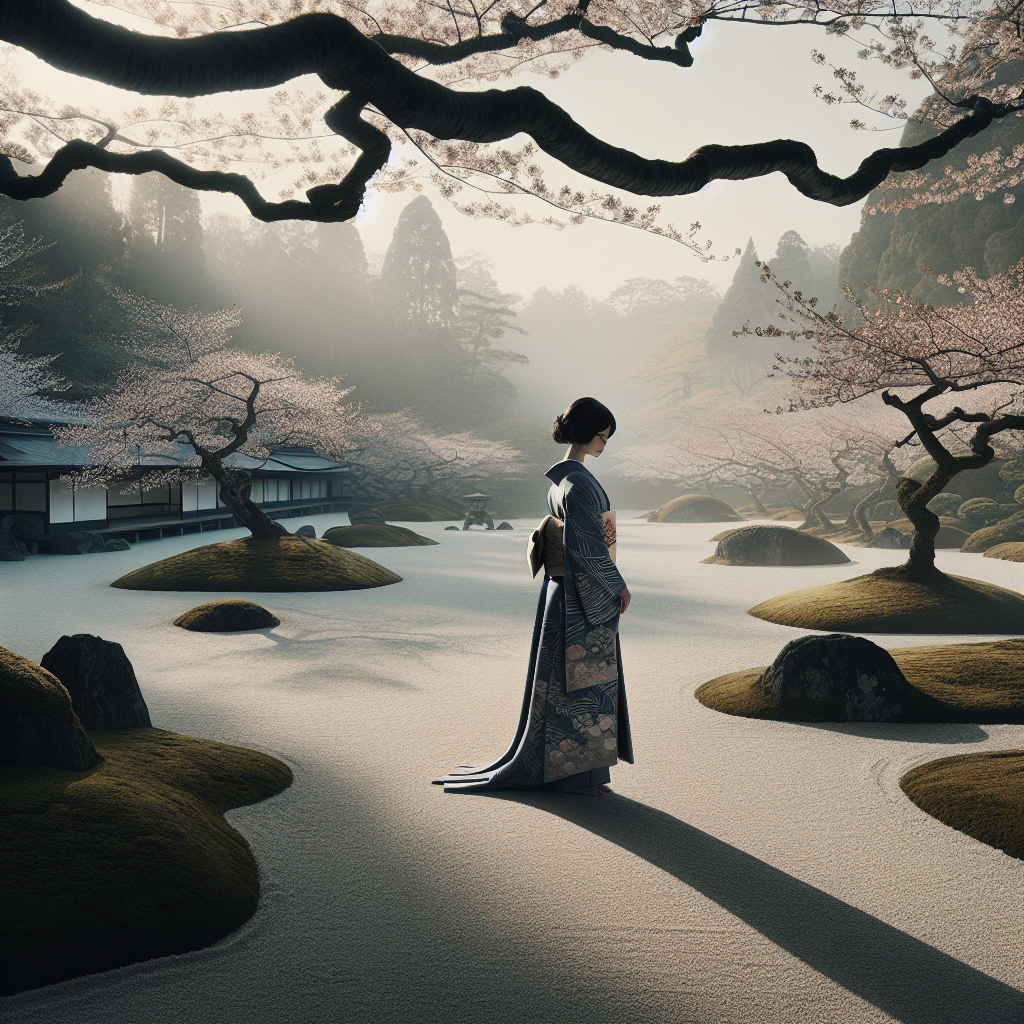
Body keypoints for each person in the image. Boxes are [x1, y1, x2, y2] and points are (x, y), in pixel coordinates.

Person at [433, 397, 633, 797]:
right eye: (601, 435)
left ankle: (580, 774)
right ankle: (575, 776)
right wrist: (618, 585)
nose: (604, 443)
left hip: (563, 588)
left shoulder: (563, 480)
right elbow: (591, 548)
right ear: (585, 433)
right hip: (579, 594)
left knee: (569, 681)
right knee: (581, 685)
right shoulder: (577, 486)